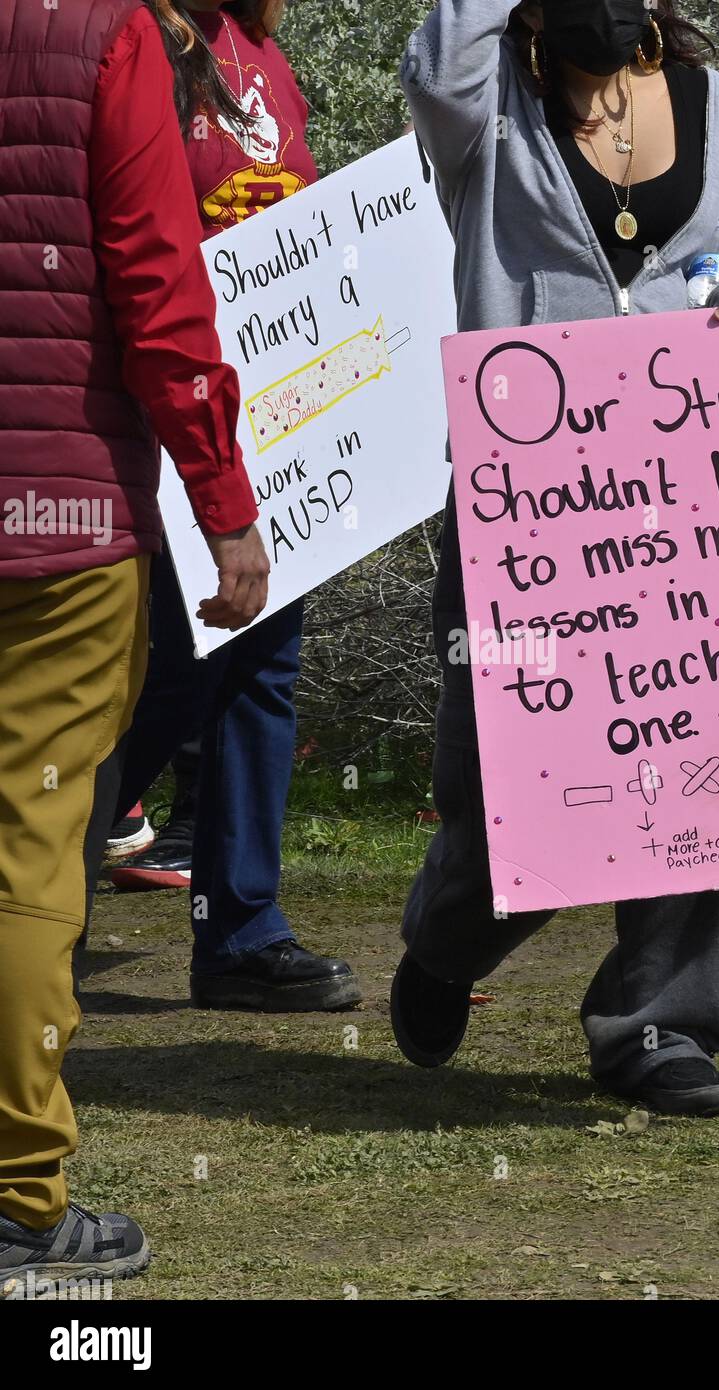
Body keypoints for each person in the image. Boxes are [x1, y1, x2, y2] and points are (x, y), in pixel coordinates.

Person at [392, 0, 719, 1115]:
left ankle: (657, 1022)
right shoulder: (484, 117)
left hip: (684, 491)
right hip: (523, 501)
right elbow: (434, 63)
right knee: (512, 787)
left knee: (705, 757)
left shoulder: (714, 107)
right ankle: (444, 940)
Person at [0, 0, 269, 1288]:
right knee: (33, 853)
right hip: (54, 527)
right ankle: (18, 1201)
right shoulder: (104, 35)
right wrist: (225, 508)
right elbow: (161, 290)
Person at [104, 0, 362, 1012]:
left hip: (268, 422)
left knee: (261, 663)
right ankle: (33, 880)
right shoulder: (135, 40)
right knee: (168, 670)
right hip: (155, 414)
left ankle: (238, 932)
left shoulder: (263, 54)